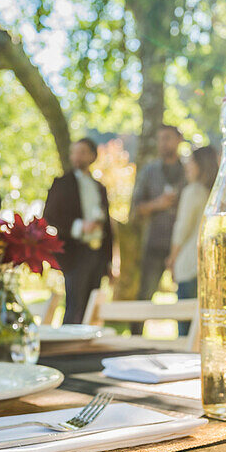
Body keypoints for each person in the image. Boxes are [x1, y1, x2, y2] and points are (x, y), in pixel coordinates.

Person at [44, 138, 114, 324]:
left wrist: (109, 261)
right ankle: (68, 346)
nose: (77, 156)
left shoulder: (99, 187)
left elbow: (108, 227)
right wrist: (79, 226)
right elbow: (50, 215)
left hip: (97, 252)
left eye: (82, 152)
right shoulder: (62, 183)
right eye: (75, 152)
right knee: (75, 304)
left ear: (92, 156)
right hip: (75, 252)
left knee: (93, 305)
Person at [131, 124, 187, 306]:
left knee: (187, 296)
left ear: (179, 140)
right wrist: (158, 204)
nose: (163, 143)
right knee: (145, 296)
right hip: (154, 242)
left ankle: (187, 334)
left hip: (183, 244)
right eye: (160, 139)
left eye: (168, 138)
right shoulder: (149, 171)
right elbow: (135, 208)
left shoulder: (189, 170)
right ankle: (136, 335)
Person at [166, 145, 219, 334]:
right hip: (210, 266)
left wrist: (172, 259)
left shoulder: (193, 191)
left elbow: (182, 229)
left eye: (191, 163)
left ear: (201, 165)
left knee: (186, 329)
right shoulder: (217, 194)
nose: (187, 167)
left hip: (189, 265)